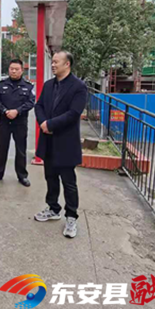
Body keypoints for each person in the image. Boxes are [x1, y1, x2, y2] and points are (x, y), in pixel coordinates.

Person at [33, 51, 87, 239]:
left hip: (65, 142)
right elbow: (39, 105)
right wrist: (43, 123)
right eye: (53, 62)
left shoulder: (78, 87)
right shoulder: (49, 85)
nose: (53, 65)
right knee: (50, 177)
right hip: (48, 141)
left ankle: (71, 217)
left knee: (69, 182)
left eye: (56, 62)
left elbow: (74, 113)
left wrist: (51, 125)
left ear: (67, 64)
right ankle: (53, 208)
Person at [0, 59, 35, 187]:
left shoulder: (28, 86)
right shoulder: (1, 84)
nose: (13, 71)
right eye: (11, 69)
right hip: (4, 122)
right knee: (2, 148)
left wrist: (17, 111)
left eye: (16, 69)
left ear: (22, 70)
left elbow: (30, 102)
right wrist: (5, 111)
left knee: (21, 150)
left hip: (20, 122)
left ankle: (22, 176)